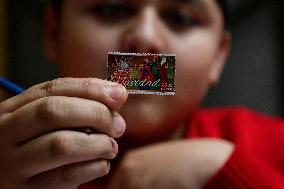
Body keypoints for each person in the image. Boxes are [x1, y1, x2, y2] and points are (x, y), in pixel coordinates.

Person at [0, 0, 283, 189]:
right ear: (52, 32)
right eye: (112, 10)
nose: (145, 38)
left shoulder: (274, 144)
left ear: (219, 57)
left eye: (179, 17)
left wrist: (223, 170)